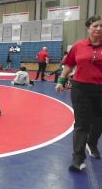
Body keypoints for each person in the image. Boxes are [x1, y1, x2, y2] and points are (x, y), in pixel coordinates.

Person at [56, 15, 102, 172]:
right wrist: (61, 81)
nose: (99, 28)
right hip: (81, 89)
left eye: (101, 26)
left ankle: (92, 143)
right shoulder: (78, 46)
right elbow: (69, 65)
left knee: (98, 122)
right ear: (88, 28)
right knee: (82, 123)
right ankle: (78, 158)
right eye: (95, 25)